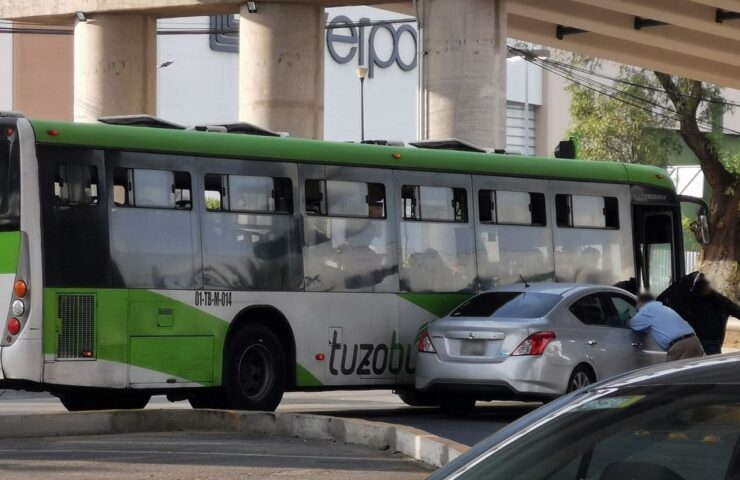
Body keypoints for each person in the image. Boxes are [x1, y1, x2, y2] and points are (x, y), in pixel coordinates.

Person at [660, 272, 740, 355]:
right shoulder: (719, 299)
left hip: (696, 338)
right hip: (711, 339)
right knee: (711, 363)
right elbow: (736, 310)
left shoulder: (688, 298)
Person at [630, 293, 704, 362]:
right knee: (694, 373)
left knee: (673, 374)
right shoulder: (663, 308)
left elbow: (632, 324)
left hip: (680, 346)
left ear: (642, 302)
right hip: (694, 341)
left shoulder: (647, 309)